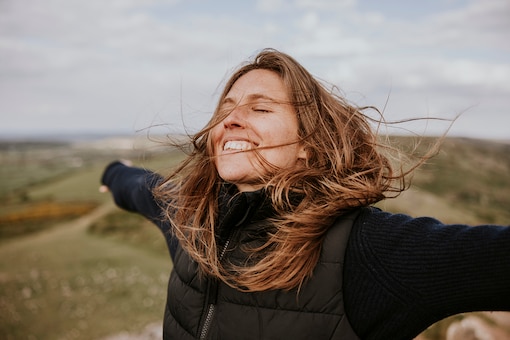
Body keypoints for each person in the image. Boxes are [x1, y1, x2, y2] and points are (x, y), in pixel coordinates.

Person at [100, 48, 510, 340]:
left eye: (260, 109)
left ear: (308, 144)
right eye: (225, 109)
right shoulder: (190, 217)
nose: (232, 120)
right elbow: (142, 189)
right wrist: (113, 173)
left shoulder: (363, 249)